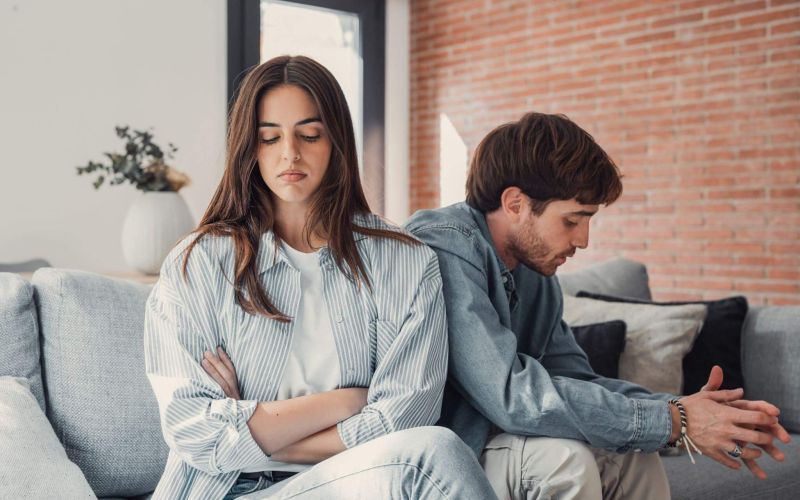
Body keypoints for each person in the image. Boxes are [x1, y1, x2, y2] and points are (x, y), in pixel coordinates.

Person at [144, 55, 497, 500]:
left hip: (349, 482)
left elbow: (404, 419)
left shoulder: (405, 262)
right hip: (228, 491)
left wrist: (253, 423)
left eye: (309, 135)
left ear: (336, 141)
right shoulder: (197, 265)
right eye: (269, 138)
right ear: (248, 149)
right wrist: (350, 400)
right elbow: (196, 433)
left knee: (433, 452)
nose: (290, 153)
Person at [405, 111, 791, 500]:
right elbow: (511, 395)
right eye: (572, 220)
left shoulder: (536, 276)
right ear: (515, 203)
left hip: (500, 440)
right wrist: (675, 420)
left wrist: (690, 412)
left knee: (635, 456)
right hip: (448, 455)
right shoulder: (446, 247)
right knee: (564, 461)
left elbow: (576, 379)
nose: (584, 240)